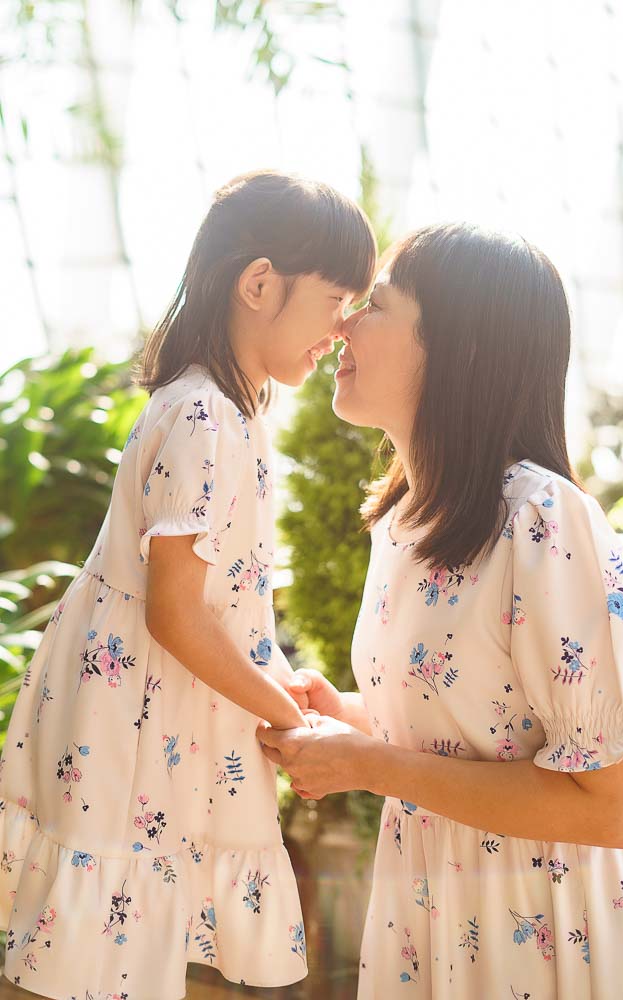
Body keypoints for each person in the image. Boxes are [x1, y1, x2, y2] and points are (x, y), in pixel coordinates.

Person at [258, 222, 623, 998]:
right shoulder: (402, 521)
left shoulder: (544, 521)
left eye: (376, 303)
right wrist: (351, 722)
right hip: (436, 917)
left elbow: (615, 808)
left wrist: (370, 766)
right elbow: (470, 732)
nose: (342, 319)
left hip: (549, 932)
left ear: (458, 349)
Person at [0, 170, 376, 998]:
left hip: (146, 712)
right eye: (336, 302)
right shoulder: (207, 417)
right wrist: (289, 722)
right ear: (258, 284)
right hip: (132, 720)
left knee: (122, 951)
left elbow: (214, 607)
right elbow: (175, 614)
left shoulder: (217, 411)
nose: (342, 331)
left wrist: (285, 688)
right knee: (109, 954)